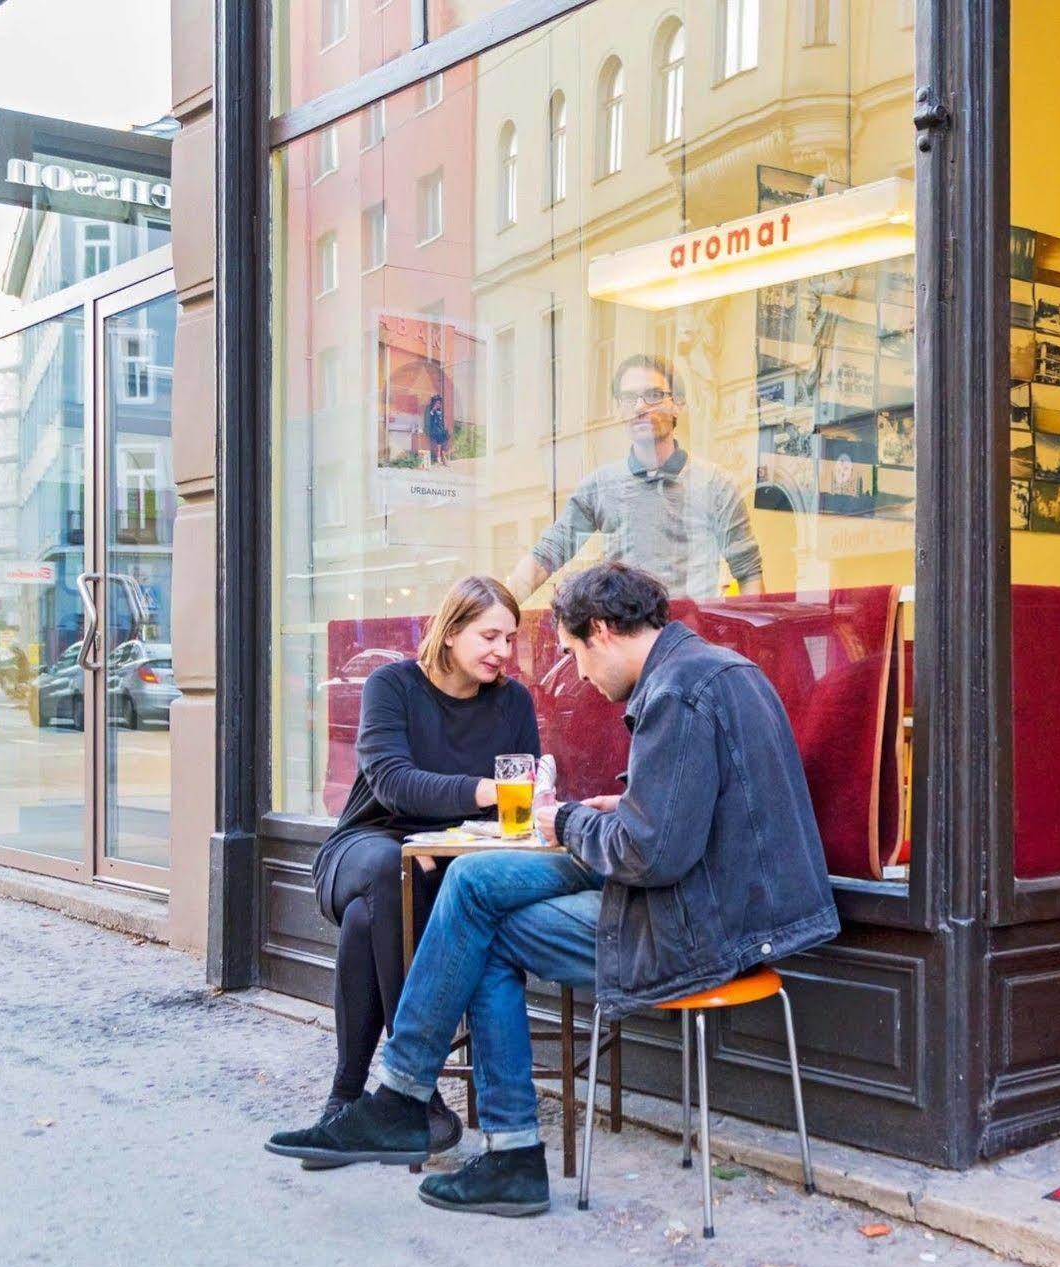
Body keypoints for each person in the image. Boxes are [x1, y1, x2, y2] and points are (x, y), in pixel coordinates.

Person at [266, 562, 837, 1216]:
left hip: (705, 926)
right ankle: (412, 1104)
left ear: (599, 632)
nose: (584, 680)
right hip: (724, 898)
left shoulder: (674, 692)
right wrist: (623, 806)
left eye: (573, 655)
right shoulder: (712, 669)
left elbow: (649, 855)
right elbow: (689, 817)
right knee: (477, 884)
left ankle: (461, 1131)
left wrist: (571, 819)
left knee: (482, 926)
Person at [299, 575, 541, 1166]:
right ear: (451, 630)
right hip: (366, 844)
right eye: (489, 636)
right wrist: (484, 791)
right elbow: (392, 781)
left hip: (448, 857)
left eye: (510, 639)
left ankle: (348, 1105)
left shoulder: (512, 703)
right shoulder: (393, 685)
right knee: (387, 872)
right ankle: (418, 1093)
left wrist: (445, 836)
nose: (502, 652)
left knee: (369, 918)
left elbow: (527, 800)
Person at [504, 355, 766, 603]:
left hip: (691, 642)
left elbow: (749, 572)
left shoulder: (716, 485)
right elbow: (546, 555)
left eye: (654, 395)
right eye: (629, 398)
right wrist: (492, 611)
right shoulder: (599, 486)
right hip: (621, 639)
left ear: (678, 404)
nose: (640, 407)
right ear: (620, 410)